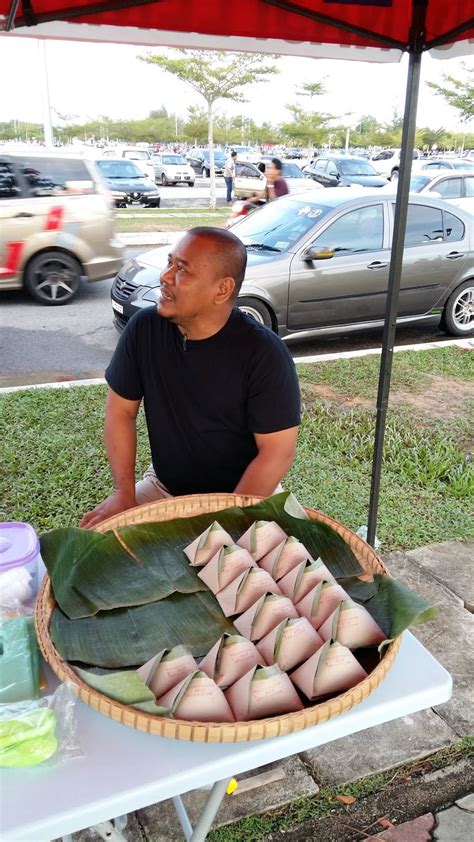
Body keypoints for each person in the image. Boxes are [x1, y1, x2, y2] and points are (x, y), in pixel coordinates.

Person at [80, 227, 300, 529]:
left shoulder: (264, 354)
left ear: (222, 290)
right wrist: (124, 492)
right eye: (170, 262)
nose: (165, 276)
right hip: (164, 488)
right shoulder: (144, 329)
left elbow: (277, 451)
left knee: (271, 571)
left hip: (244, 497)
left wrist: (228, 522)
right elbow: (120, 411)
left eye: (182, 269)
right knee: (97, 542)